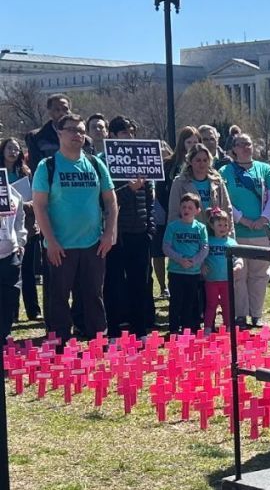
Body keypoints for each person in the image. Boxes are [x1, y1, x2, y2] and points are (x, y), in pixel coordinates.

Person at [31, 114, 117, 345]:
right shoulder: (47, 166)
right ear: (59, 133)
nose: (77, 135)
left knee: (93, 296)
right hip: (60, 245)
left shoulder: (96, 164)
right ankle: (60, 344)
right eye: (71, 130)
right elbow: (39, 206)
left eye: (80, 130)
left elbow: (110, 200)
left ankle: (98, 342)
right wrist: (51, 241)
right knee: (59, 297)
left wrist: (109, 233)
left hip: (93, 244)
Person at [220, 132, 270, 327]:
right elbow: (224, 199)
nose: (246, 147)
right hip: (238, 232)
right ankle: (240, 314)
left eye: (249, 144)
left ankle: (256, 314)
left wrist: (264, 218)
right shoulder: (225, 172)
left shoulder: (264, 169)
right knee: (239, 274)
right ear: (234, 150)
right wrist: (242, 219)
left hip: (262, 233)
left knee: (260, 275)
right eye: (241, 144)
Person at [103, 116, 155, 339]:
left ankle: (140, 329)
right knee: (114, 283)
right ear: (113, 136)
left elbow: (150, 199)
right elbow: (106, 200)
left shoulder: (142, 159)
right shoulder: (104, 162)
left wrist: (150, 227)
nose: (130, 136)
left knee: (140, 283)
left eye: (132, 132)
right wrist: (129, 189)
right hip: (117, 234)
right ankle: (114, 330)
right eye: (125, 132)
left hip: (140, 232)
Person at [154, 127, 199, 299]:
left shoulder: (199, 163)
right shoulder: (168, 164)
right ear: (182, 143)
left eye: (196, 142)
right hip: (168, 213)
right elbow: (160, 190)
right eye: (189, 142)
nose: (193, 146)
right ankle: (163, 286)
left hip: (191, 216)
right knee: (160, 250)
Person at [1, 137, 40, 322]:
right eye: (9, 148)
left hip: (26, 226)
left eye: (16, 149)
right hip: (4, 232)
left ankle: (33, 309)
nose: (13, 152)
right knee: (10, 276)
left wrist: (24, 205)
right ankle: (12, 312)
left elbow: (35, 197)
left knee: (28, 271)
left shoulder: (26, 172)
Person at [162, 192, 209, 335]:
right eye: (184, 207)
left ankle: (189, 328)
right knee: (176, 301)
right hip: (176, 271)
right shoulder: (173, 226)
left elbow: (205, 247)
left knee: (191, 301)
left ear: (197, 210)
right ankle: (174, 328)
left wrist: (195, 261)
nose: (186, 210)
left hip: (193, 272)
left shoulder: (201, 228)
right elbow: (166, 247)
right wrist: (180, 259)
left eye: (190, 207)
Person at [168, 143, 233, 224]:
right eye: (198, 160)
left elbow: (227, 209)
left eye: (205, 160)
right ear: (190, 161)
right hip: (190, 233)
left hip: (215, 233)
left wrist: (230, 234)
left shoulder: (217, 182)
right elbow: (173, 214)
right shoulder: (179, 182)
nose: (202, 163)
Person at [202, 207, 241, 332]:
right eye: (219, 225)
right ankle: (208, 327)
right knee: (211, 305)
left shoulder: (231, 242)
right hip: (211, 279)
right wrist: (201, 265)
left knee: (227, 305)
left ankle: (229, 327)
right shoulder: (208, 241)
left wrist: (238, 264)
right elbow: (202, 255)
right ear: (212, 226)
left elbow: (238, 257)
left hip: (227, 280)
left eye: (225, 224)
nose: (223, 227)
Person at [0, 185, 26, 341]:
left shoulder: (10, 190)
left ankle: (4, 333)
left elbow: (20, 218)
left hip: (10, 254)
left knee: (10, 297)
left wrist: (21, 241)